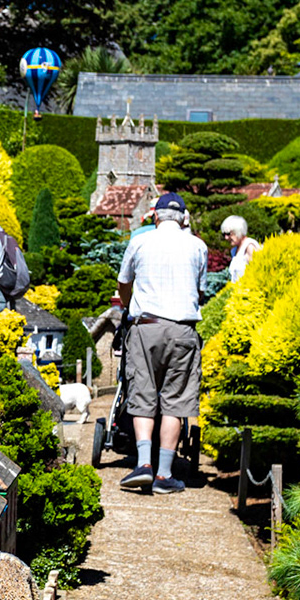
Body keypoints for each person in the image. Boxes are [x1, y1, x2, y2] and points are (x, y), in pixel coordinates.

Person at [115, 192, 209, 495]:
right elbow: (200, 290)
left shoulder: (140, 242)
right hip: (183, 329)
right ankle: (165, 475)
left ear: (155, 216)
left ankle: (143, 464)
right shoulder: (197, 246)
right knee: (176, 401)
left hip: (146, 326)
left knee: (142, 393)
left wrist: (129, 308)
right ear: (183, 218)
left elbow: (123, 282)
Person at [222, 215, 262, 283]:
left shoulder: (250, 247)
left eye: (229, 234)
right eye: (224, 234)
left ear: (238, 231)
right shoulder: (234, 250)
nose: (226, 238)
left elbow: (258, 273)